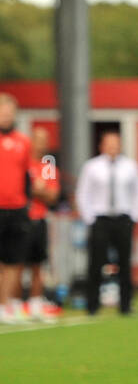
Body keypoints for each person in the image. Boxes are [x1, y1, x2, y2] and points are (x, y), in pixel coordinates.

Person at [76, 131, 138, 315]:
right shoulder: (92, 167)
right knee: (96, 263)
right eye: (109, 144)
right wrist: (90, 218)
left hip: (123, 219)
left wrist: (135, 216)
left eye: (116, 144)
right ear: (102, 146)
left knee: (124, 263)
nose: (112, 147)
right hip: (100, 219)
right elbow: (83, 193)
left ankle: (125, 305)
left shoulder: (131, 167)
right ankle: (92, 305)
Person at [23, 128, 61, 321]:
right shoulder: (22, 162)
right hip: (20, 218)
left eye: (45, 140)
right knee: (14, 263)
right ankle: (11, 303)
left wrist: (36, 190)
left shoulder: (48, 165)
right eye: (38, 140)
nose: (42, 144)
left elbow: (52, 196)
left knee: (38, 265)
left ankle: (35, 303)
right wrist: (34, 188)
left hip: (39, 219)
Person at [0, 94, 32, 323]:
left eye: (9, 112)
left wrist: (27, 203)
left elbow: (27, 176)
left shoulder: (24, 141)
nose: (6, 116)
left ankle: (5, 305)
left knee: (14, 260)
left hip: (18, 209)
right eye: (2, 112)